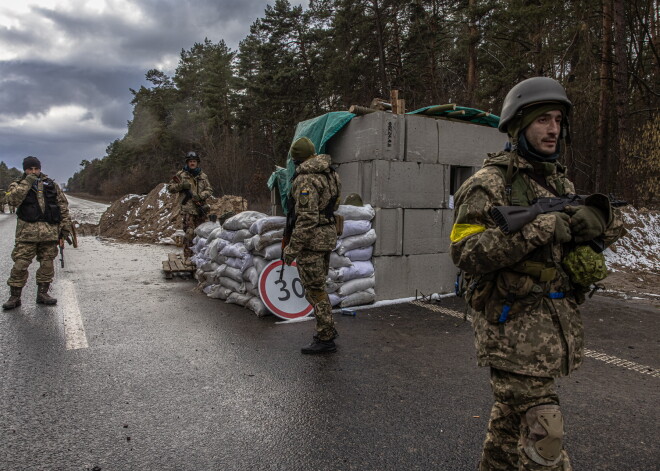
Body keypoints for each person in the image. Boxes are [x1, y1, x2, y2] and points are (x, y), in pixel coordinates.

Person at [449, 77, 625, 470]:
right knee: (546, 434)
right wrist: (541, 228)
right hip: (510, 328)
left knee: (509, 427)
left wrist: (597, 222)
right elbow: (465, 252)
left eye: (558, 120)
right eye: (543, 119)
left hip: (548, 330)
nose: (553, 129)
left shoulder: (558, 181)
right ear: (519, 125)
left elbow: (597, 229)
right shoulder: (487, 184)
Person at [283, 137, 342, 354]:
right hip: (326, 236)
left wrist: (292, 248)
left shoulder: (306, 179)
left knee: (315, 290)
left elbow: (307, 218)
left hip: (312, 241)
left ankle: (325, 336)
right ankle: (326, 331)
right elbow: (334, 203)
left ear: (296, 159)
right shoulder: (331, 172)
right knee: (319, 286)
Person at [3, 156, 72, 310]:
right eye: (30, 169)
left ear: (40, 168)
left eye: (36, 168)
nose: (33, 171)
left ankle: (43, 294)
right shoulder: (18, 185)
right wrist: (28, 182)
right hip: (26, 235)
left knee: (47, 265)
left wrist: (65, 227)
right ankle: (15, 297)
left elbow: (62, 206)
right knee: (20, 265)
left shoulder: (51, 185)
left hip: (49, 233)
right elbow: (12, 201)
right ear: (25, 169)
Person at [167, 151, 213, 260]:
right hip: (188, 209)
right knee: (189, 233)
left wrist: (200, 196)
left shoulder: (203, 176)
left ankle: (200, 257)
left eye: (194, 161)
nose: (192, 163)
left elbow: (209, 190)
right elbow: (170, 188)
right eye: (190, 161)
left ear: (197, 163)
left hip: (200, 208)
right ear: (187, 162)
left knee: (201, 233)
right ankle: (188, 257)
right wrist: (181, 185)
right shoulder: (181, 175)